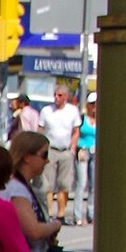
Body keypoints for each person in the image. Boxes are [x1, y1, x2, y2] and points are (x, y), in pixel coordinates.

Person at [38, 87, 81, 222]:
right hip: (51, 150)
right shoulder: (47, 111)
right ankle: (49, 213)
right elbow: (40, 129)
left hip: (66, 150)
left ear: (66, 97)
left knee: (64, 184)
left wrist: (73, 148)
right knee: (47, 184)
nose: (56, 97)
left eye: (60, 95)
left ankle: (61, 214)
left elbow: (76, 131)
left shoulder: (72, 111)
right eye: (55, 95)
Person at [74, 93, 96, 225]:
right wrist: (76, 147)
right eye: (92, 104)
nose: (95, 107)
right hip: (83, 151)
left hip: (96, 152)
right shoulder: (82, 118)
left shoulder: (102, 118)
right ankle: (78, 216)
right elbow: (76, 133)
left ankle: (91, 214)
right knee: (81, 183)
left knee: (93, 185)